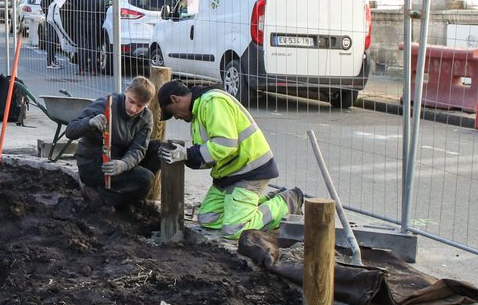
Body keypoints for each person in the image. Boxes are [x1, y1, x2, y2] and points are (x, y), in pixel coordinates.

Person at [156, 80, 303, 239]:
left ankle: (286, 202)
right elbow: (209, 155)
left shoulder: (213, 102)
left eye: (172, 113)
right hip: (230, 173)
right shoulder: (198, 114)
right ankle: (256, 205)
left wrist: (187, 154)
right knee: (208, 218)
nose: (176, 118)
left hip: (250, 171)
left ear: (175, 99)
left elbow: (225, 145)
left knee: (234, 229)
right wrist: (184, 157)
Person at [65, 77, 163, 209]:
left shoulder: (146, 117)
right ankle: (102, 195)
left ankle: (118, 197)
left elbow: (139, 149)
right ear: (126, 91)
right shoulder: (106, 104)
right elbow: (70, 131)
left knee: (157, 149)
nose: (133, 109)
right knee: (145, 178)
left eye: (140, 106)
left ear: (147, 104)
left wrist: (124, 164)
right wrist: (89, 122)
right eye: (131, 101)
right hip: (94, 162)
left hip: (120, 159)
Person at [40, 0, 63, 69]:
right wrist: (49, 14)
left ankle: (53, 60)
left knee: (55, 40)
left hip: (59, 19)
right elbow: (43, 4)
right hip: (51, 19)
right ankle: (50, 61)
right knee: (51, 40)